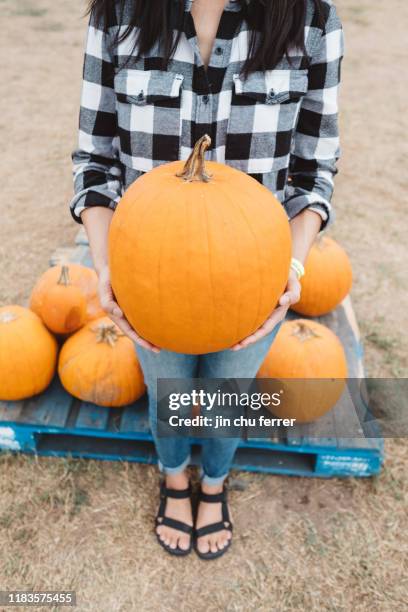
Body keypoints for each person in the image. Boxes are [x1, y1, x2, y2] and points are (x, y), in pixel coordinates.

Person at [70, 0, 343, 559]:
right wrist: (106, 267)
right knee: (165, 384)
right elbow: (94, 162)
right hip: (147, 277)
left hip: (257, 277)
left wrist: (291, 270)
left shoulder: (312, 19)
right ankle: (174, 477)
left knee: (228, 390)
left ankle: (214, 484)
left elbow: (313, 171)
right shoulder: (118, 14)